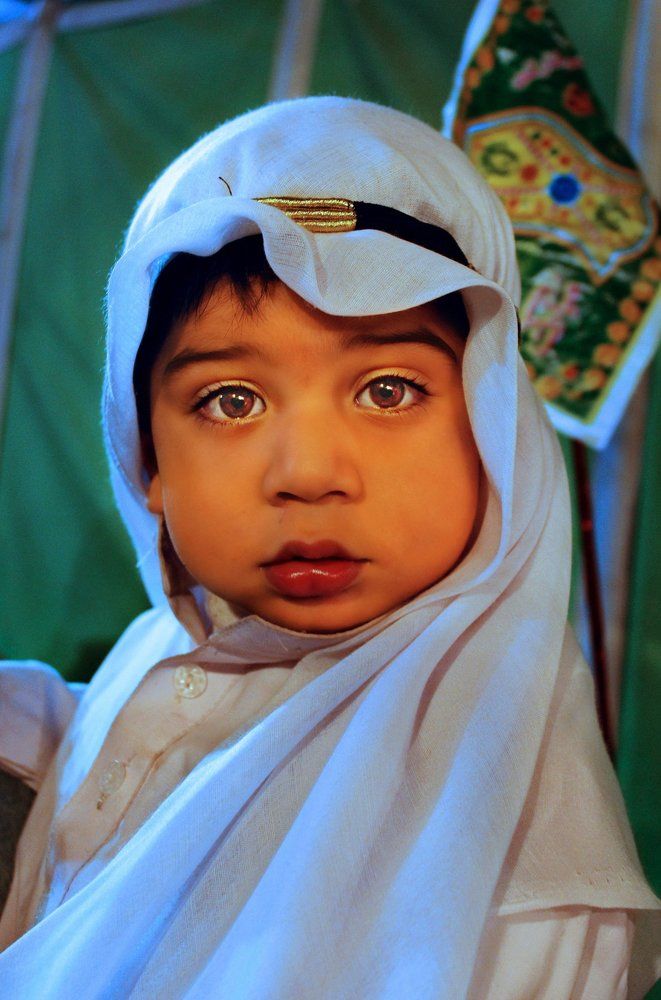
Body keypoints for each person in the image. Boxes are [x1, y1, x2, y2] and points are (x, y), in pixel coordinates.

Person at [0, 96, 659, 999]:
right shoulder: (172, 645)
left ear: (492, 427)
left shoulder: (505, 890)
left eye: (388, 389)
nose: (308, 474)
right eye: (230, 401)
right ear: (144, 458)